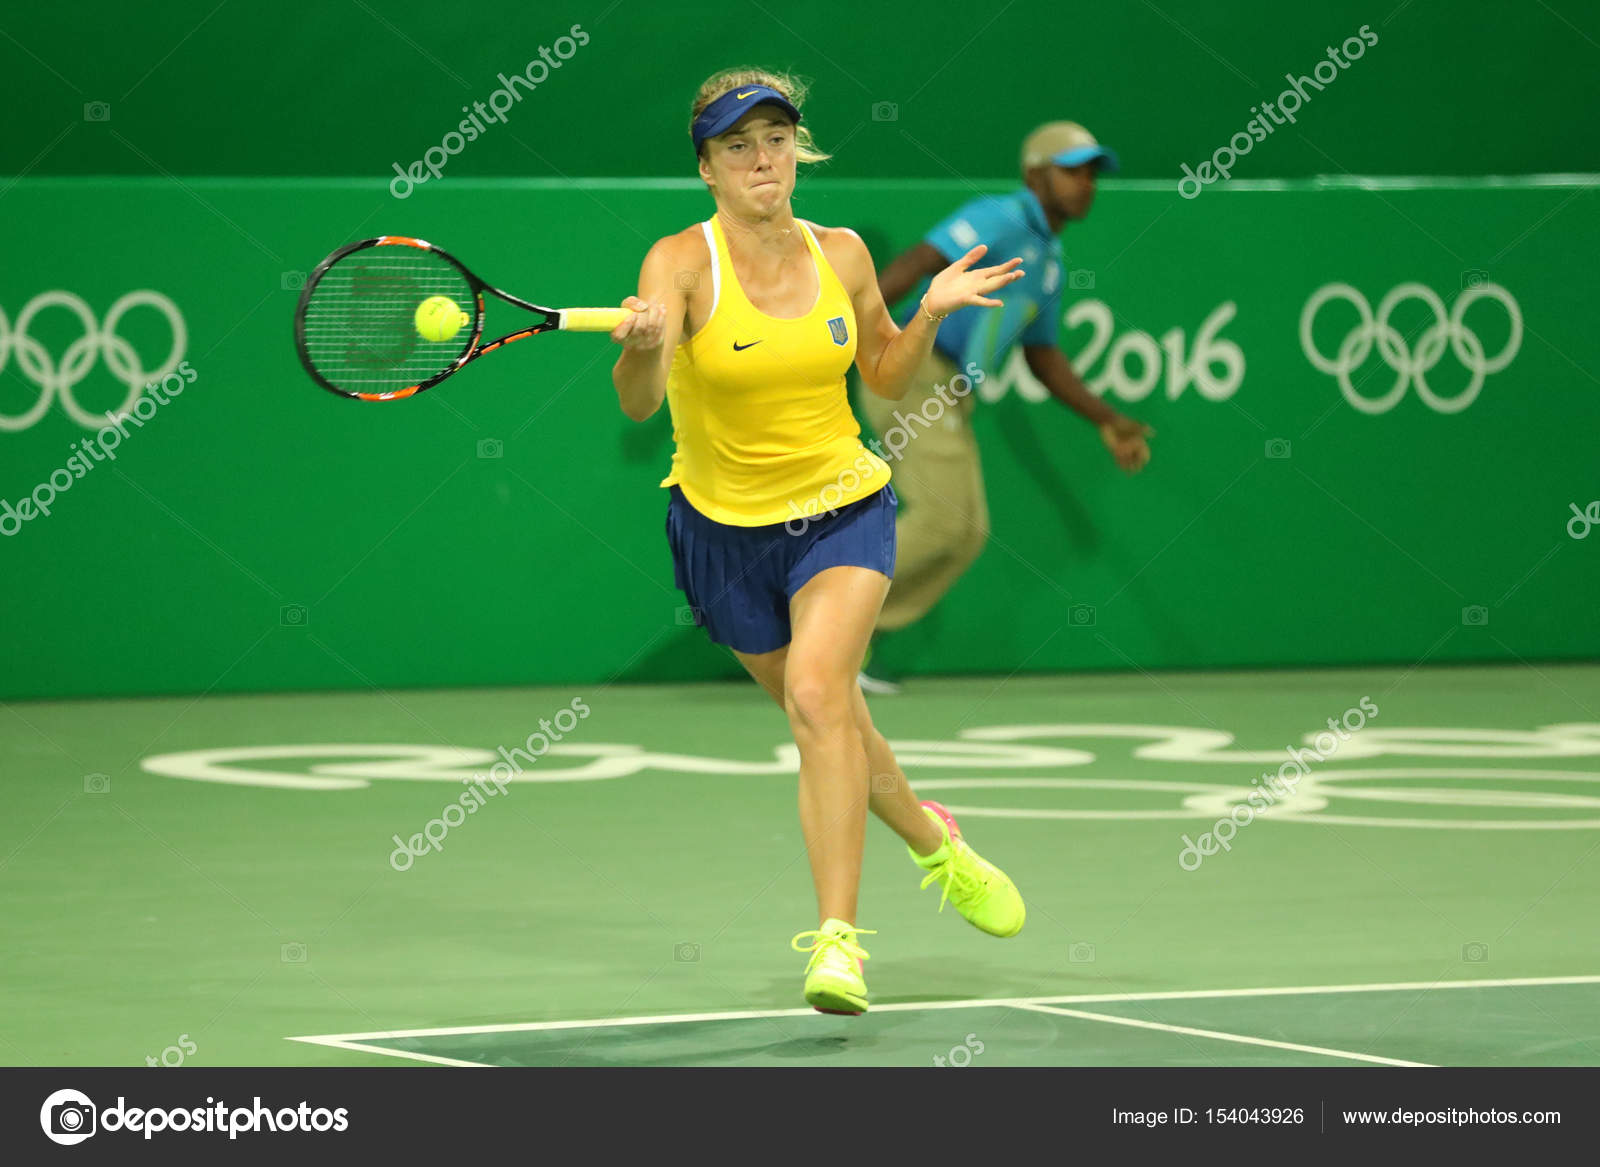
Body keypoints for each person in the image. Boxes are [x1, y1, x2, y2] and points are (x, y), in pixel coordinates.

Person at [608, 68, 1027, 1015]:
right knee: (838, 721)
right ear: (706, 167)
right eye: (739, 146)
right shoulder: (677, 262)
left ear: (799, 149)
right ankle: (936, 843)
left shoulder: (840, 252)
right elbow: (639, 406)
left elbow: (881, 368)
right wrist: (642, 344)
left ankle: (838, 943)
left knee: (814, 695)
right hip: (722, 534)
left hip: (842, 509)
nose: (764, 160)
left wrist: (924, 313)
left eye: (778, 140)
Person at [858, 122, 1153, 693]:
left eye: (1092, 173)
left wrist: (1108, 420)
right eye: (1072, 170)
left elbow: (1044, 358)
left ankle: (845, 635)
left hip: (948, 393)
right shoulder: (1001, 217)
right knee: (945, 521)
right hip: (913, 368)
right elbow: (921, 261)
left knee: (966, 532)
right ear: (1035, 175)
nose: (1086, 184)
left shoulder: (1048, 262)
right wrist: (848, 335)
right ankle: (816, 623)